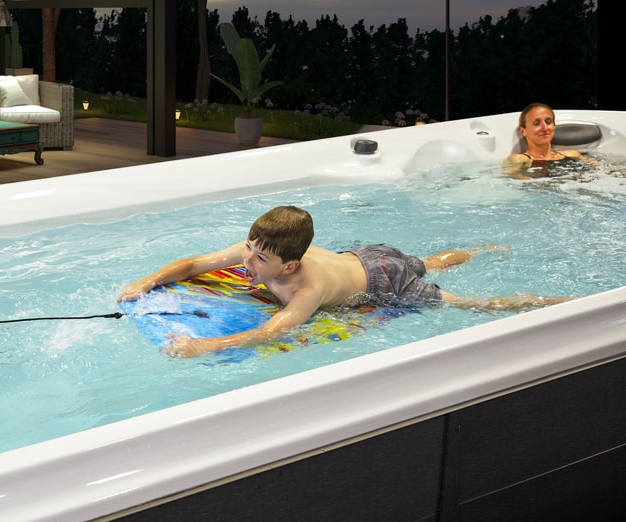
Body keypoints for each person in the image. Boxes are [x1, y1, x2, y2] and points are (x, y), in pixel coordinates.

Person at [118, 205, 573, 358]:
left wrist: (205, 346)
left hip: (384, 280)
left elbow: (273, 331)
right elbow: (192, 265)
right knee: (429, 261)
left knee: (466, 303)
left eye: (260, 259)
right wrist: (145, 281)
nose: (247, 263)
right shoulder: (258, 248)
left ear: (290, 266)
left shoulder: (306, 290)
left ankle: (549, 302)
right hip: (364, 254)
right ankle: (485, 250)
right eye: (249, 251)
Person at [504, 102, 589, 179]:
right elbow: (513, 180)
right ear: (523, 131)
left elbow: (599, 170)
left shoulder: (572, 154)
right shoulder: (519, 159)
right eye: (536, 123)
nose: (545, 128)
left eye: (548, 122)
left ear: (554, 126)